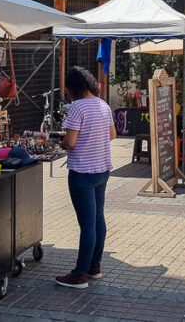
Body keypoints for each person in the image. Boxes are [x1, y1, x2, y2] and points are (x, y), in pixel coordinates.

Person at [56, 66, 115, 289]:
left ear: (73, 88)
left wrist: (62, 142)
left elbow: (70, 142)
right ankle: (94, 267)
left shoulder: (77, 107)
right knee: (98, 219)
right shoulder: (103, 104)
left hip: (82, 172)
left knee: (87, 224)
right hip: (102, 170)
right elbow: (112, 135)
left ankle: (79, 275)